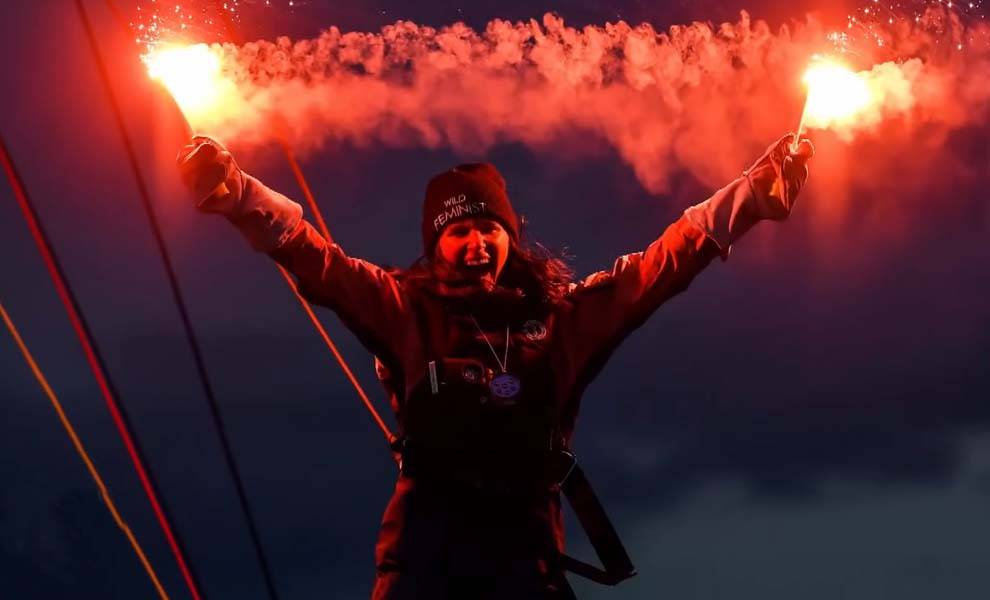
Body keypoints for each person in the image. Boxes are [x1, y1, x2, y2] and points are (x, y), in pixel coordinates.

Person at [178, 134, 814, 599]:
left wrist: (753, 195)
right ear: (436, 244)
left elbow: (657, 268)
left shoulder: (561, 322)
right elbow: (316, 260)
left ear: (511, 237)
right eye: (458, 232)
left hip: (525, 567)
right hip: (423, 568)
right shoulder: (402, 309)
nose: (476, 242)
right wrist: (237, 193)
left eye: (489, 228)